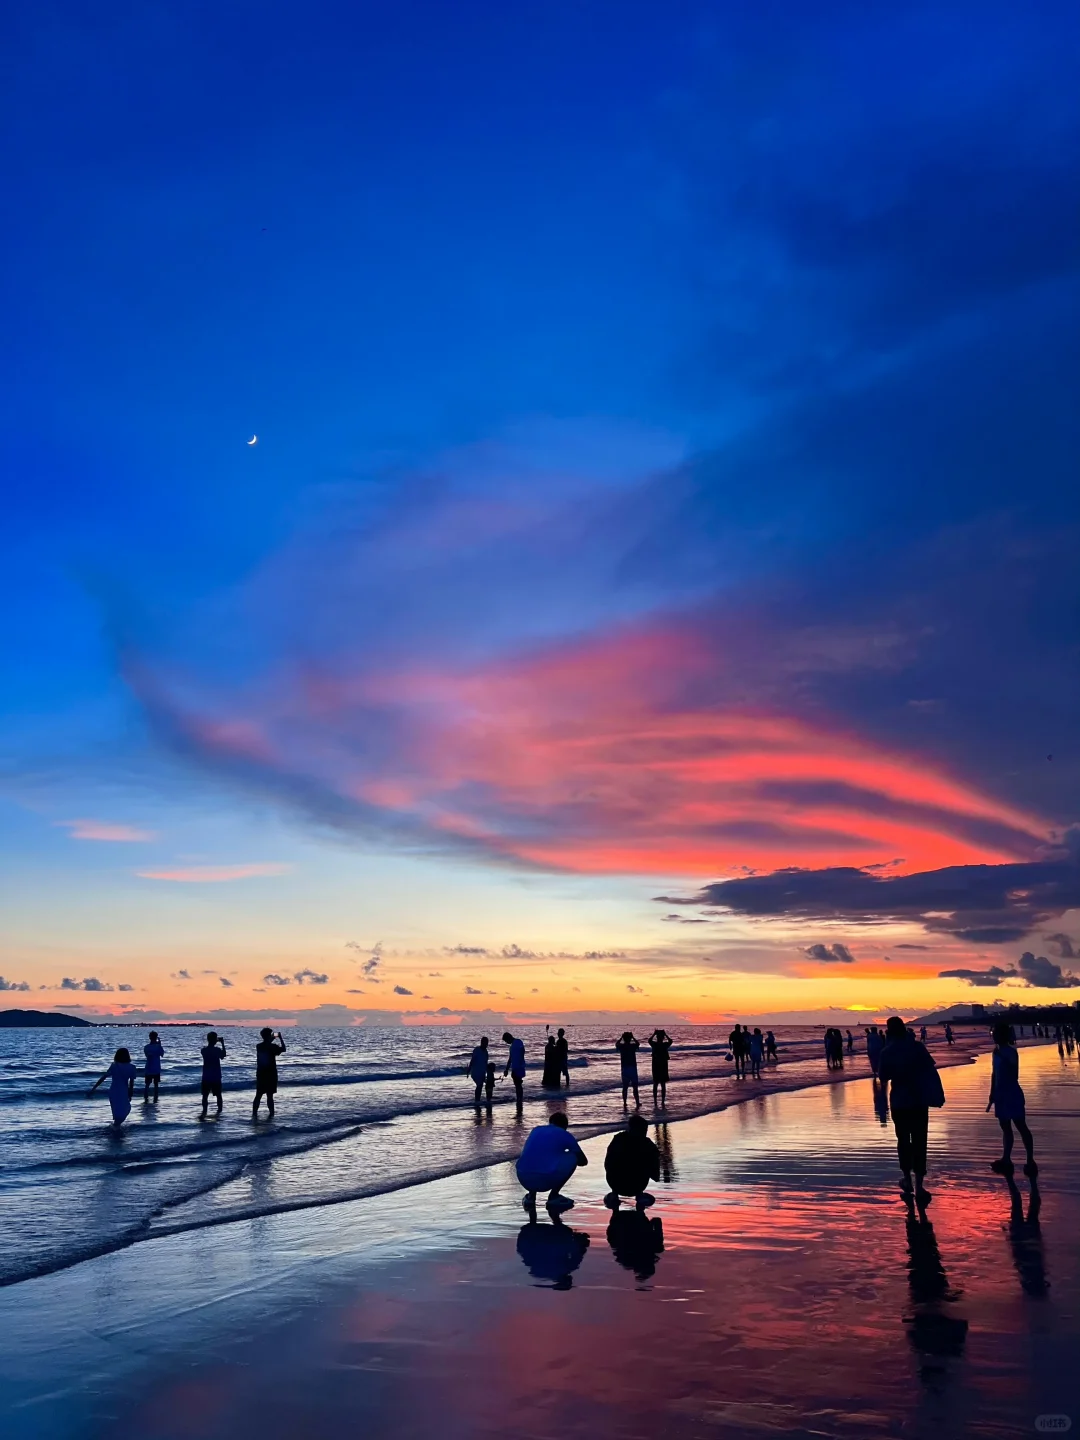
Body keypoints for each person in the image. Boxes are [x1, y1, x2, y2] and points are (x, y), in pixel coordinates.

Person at [877, 1015, 940, 1207]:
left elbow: (884, 1077)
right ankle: (920, 1185)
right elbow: (930, 1067)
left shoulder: (887, 1051)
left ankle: (907, 1179)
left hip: (900, 1101)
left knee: (903, 1141)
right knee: (920, 1140)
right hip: (919, 1100)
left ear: (889, 1031)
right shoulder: (917, 1047)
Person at [987, 1022, 1037, 1178]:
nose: (993, 1035)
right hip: (1000, 1094)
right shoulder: (996, 1052)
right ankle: (1006, 1159)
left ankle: (1030, 1160)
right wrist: (992, 1093)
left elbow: (1014, 1074)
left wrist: (1000, 1088)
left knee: (1021, 1126)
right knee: (1005, 1127)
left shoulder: (1010, 1052)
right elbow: (994, 1074)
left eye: (995, 1033)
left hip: (1011, 1093)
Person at [516, 1112, 587, 1212]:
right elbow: (583, 1161)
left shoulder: (536, 1130)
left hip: (522, 1177)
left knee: (535, 1155)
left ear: (550, 1122)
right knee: (573, 1156)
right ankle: (554, 1195)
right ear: (565, 1126)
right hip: (545, 1180)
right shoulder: (565, 1134)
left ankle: (531, 1196)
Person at [604, 1113, 661, 1210]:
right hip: (637, 1185)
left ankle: (614, 1194)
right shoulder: (648, 1144)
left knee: (613, 1162)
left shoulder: (618, 1139)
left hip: (615, 1183)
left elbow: (607, 1163)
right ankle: (639, 1195)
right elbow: (655, 1175)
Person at [89, 1047, 137, 1126]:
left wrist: (94, 1088)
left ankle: (115, 1127)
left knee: (118, 1110)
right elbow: (131, 1083)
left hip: (115, 1091)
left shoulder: (115, 1066)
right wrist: (130, 1093)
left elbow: (104, 1077)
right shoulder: (131, 1067)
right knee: (123, 1110)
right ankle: (116, 1127)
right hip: (121, 1091)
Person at [253, 1028, 286, 1118]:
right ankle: (271, 1114)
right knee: (269, 1096)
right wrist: (280, 1038)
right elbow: (283, 1049)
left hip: (260, 1073)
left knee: (258, 1095)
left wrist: (271, 1038)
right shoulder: (273, 1047)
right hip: (271, 1074)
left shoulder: (258, 1046)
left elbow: (266, 1044)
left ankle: (254, 1114)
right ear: (269, 1035)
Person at [200, 1031, 226, 1117]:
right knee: (218, 1095)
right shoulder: (217, 1050)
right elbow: (223, 1056)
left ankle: (204, 1111)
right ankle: (219, 1112)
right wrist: (222, 1043)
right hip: (216, 1075)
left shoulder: (203, 1050)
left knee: (205, 1096)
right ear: (215, 1040)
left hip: (206, 1076)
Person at [647, 1028, 673, 1106]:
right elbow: (670, 1041)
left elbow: (649, 1040)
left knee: (656, 1084)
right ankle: (662, 1101)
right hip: (663, 1066)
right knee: (662, 1085)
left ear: (657, 1037)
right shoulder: (664, 1045)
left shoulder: (655, 1045)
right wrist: (665, 1034)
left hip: (655, 1066)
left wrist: (654, 1034)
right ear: (662, 1038)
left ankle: (655, 1101)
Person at [615, 1031, 640, 1107]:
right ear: (630, 1039)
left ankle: (625, 1102)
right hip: (632, 1068)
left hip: (625, 1069)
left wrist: (621, 1038)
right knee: (635, 1087)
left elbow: (616, 1044)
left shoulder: (622, 1047)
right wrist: (633, 1037)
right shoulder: (632, 1046)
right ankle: (637, 1102)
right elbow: (638, 1044)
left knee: (625, 1087)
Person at [502, 1031, 526, 1104]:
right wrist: (506, 1069)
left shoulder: (518, 1042)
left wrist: (521, 1061)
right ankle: (519, 1098)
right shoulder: (512, 1047)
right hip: (515, 1067)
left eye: (506, 1041)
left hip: (519, 1066)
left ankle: (520, 1099)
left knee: (518, 1083)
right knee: (517, 1084)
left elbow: (523, 1051)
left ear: (508, 1038)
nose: (506, 1042)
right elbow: (510, 1059)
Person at [466, 1035, 489, 1105]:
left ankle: (479, 1100)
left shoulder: (486, 1052)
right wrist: (469, 1070)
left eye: (487, 1043)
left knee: (481, 1086)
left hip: (482, 1072)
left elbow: (486, 1063)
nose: (486, 1045)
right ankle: (477, 1101)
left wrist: (488, 1073)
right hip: (475, 1072)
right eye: (485, 1043)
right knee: (479, 1085)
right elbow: (472, 1060)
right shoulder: (476, 1050)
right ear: (481, 1042)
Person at [143, 1030, 164, 1100]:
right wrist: (159, 1045)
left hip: (148, 1067)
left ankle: (145, 1098)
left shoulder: (146, 1047)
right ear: (156, 1037)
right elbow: (162, 1054)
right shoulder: (158, 1047)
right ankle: (155, 1098)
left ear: (149, 1038)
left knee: (147, 1084)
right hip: (156, 1068)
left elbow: (147, 1055)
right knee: (156, 1085)